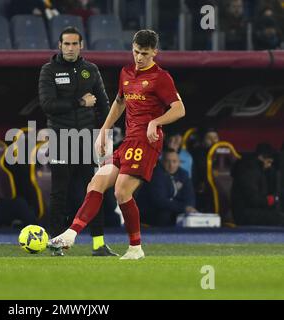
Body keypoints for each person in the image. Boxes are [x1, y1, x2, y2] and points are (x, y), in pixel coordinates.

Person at [48, 29, 186, 259]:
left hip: (147, 142)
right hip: (129, 140)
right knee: (96, 182)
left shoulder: (161, 78)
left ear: (154, 52)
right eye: (135, 52)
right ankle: (70, 235)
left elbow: (179, 109)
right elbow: (120, 102)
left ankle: (135, 248)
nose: (139, 57)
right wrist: (104, 130)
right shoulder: (126, 73)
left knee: (122, 191)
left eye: (144, 53)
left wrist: (156, 122)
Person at [39, 27, 115, 256]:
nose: (70, 48)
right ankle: (55, 243)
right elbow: (47, 105)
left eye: (74, 44)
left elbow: (104, 104)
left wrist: (105, 133)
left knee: (95, 190)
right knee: (59, 192)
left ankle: (98, 245)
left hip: (87, 139)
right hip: (62, 138)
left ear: (81, 45)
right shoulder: (49, 70)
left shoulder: (90, 70)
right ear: (60, 46)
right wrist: (79, 102)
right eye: (66, 44)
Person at [138, 148, 197, 226]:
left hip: (174, 208)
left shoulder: (184, 175)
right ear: (161, 162)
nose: (171, 165)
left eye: (174, 161)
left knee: (190, 215)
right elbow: (160, 201)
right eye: (167, 161)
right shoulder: (155, 174)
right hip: (150, 211)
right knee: (165, 214)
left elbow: (190, 197)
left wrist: (189, 207)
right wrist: (183, 208)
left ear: (179, 162)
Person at [231, 143, 284, 225]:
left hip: (252, 210)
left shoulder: (258, 170)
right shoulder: (249, 170)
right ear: (261, 157)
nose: (269, 165)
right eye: (268, 162)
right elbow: (253, 199)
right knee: (279, 218)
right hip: (244, 214)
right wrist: (273, 200)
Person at [191, 127, 219, 212]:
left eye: (215, 138)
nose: (213, 141)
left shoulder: (222, 154)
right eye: (209, 138)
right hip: (201, 193)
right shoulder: (197, 154)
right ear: (202, 140)